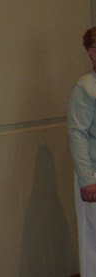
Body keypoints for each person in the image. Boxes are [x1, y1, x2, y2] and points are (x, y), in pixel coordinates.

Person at [67, 26, 96, 277]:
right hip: (93, 176)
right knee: (92, 247)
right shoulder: (85, 88)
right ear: (90, 52)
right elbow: (78, 135)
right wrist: (87, 181)